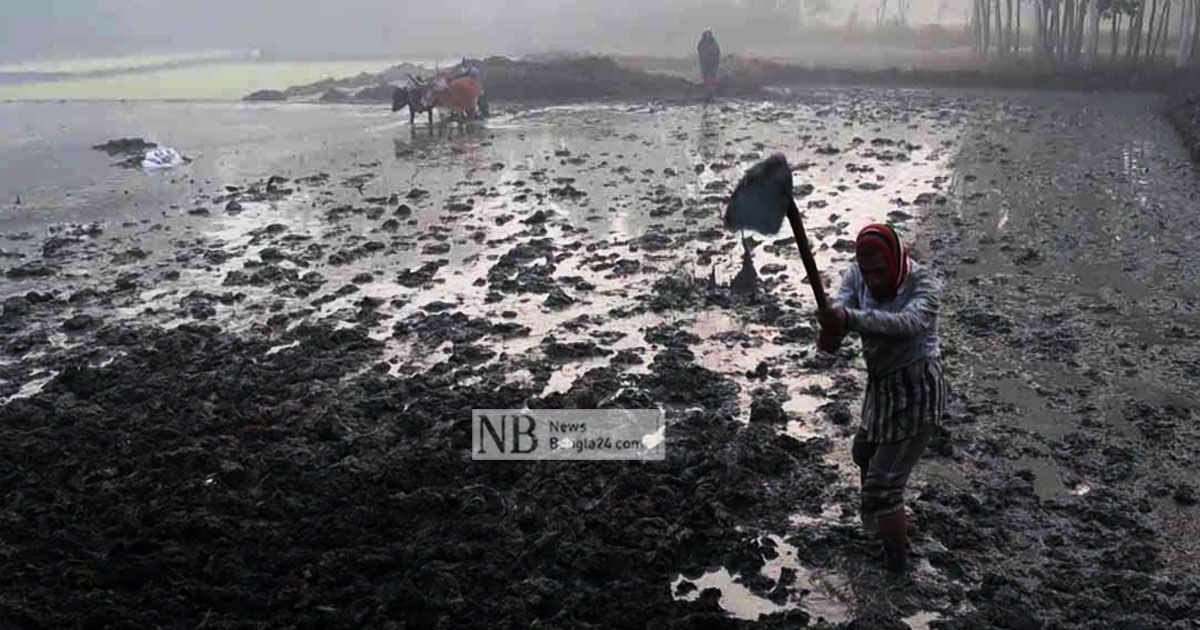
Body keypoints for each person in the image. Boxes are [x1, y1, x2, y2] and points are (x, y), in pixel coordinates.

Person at [816, 223, 945, 574]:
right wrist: (832, 326)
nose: (872, 280)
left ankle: (897, 569)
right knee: (863, 453)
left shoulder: (924, 285)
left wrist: (848, 319)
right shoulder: (856, 276)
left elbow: (905, 325)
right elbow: (839, 315)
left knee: (883, 488)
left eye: (880, 271)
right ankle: (879, 526)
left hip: (917, 392)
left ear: (896, 259)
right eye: (866, 271)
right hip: (881, 388)